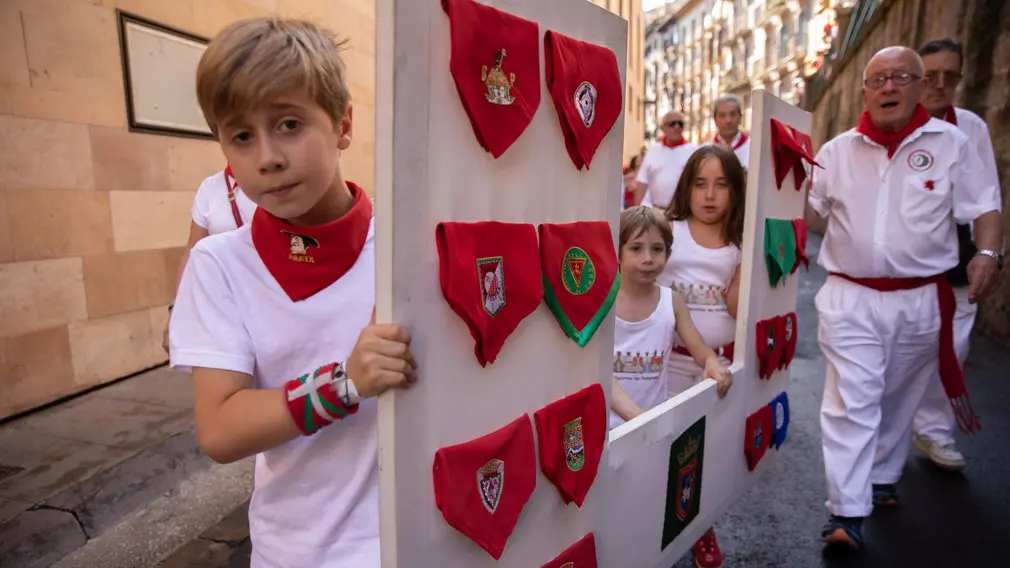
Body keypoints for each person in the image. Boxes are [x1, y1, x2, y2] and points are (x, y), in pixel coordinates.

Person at [168, 18, 419, 567]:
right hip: (298, 549)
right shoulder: (218, 265)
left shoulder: (413, 241)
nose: (267, 157)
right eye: (241, 136)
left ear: (343, 123)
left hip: (421, 539)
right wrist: (346, 383)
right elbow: (219, 428)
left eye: (288, 124)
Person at [806, 46, 1003, 550]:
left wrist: (988, 253)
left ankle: (883, 476)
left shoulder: (953, 143)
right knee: (853, 400)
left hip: (920, 300)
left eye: (901, 78)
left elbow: (984, 206)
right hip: (850, 296)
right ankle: (846, 512)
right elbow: (804, 214)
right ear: (865, 91)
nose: (888, 87)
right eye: (878, 79)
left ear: (920, 87)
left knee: (898, 398)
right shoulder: (835, 152)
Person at [910, 37, 1002, 472]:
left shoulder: (972, 128)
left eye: (951, 76)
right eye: (931, 75)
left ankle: (934, 430)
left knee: (953, 348)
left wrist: (990, 251)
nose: (940, 84)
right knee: (897, 355)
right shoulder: (892, 124)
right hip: (904, 267)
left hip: (956, 262)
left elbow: (987, 196)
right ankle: (885, 437)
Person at [658, 145, 744, 568]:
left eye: (722, 185)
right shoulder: (669, 231)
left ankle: (701, 528)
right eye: (700, 184)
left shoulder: (741, 241)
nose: (710, 195)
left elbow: (735, 308)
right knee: (671, 448)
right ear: (686, 188)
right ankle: (661, 528)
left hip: (720, 366)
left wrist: (747, 265)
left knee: (708, 452)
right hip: (669, 362)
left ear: (736, 190)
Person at [608, 206, 733, 430]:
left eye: (657, 249)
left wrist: (712, 362)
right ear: (617, 253)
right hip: (609, 428)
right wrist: (638, 417)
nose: (648, 259)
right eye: (636, 248)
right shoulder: (604, 303)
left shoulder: (672, 301)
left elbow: (700, 350)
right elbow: (598, 373)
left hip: (653, 423)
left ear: (668, 253)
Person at [163, 167, 257, 353]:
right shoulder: (210, 188)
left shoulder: (276, 183)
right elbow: (193, 250)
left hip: (271, 300)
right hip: (225, 306)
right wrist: (177, 310)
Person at [636, 111, 698, 211]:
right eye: (672, 124)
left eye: (680, 124)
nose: (676, 127)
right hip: (656, 211)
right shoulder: (653, 150)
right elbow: (642, 182)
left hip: (683, 212)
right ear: (663, 128)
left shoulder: (694, 151)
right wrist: (637, 211)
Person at [705, 94, 751, 169]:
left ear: (740, 118)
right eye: (722, 115)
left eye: (733, 114)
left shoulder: (753, 148)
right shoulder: (705, 150)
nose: (728, 120)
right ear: (715, 120)